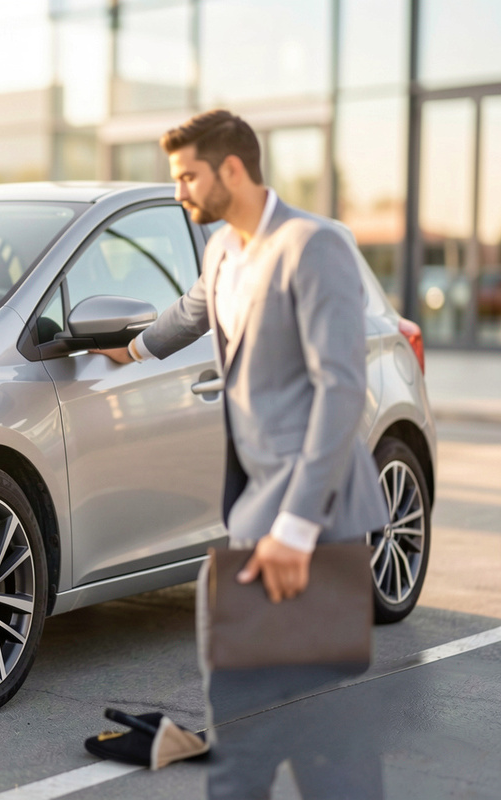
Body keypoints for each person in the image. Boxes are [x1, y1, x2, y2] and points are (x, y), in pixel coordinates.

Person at [99, 109, 390, 798]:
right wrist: (132, 349)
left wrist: (297, 527)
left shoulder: (313, 245)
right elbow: (194, 309)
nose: (179, 192)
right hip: (257, 510)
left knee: (318, 735)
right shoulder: (224, 249)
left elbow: (340, 390)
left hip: (314, 520)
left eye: (187, 177)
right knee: (255, 720)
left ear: (232, 169)